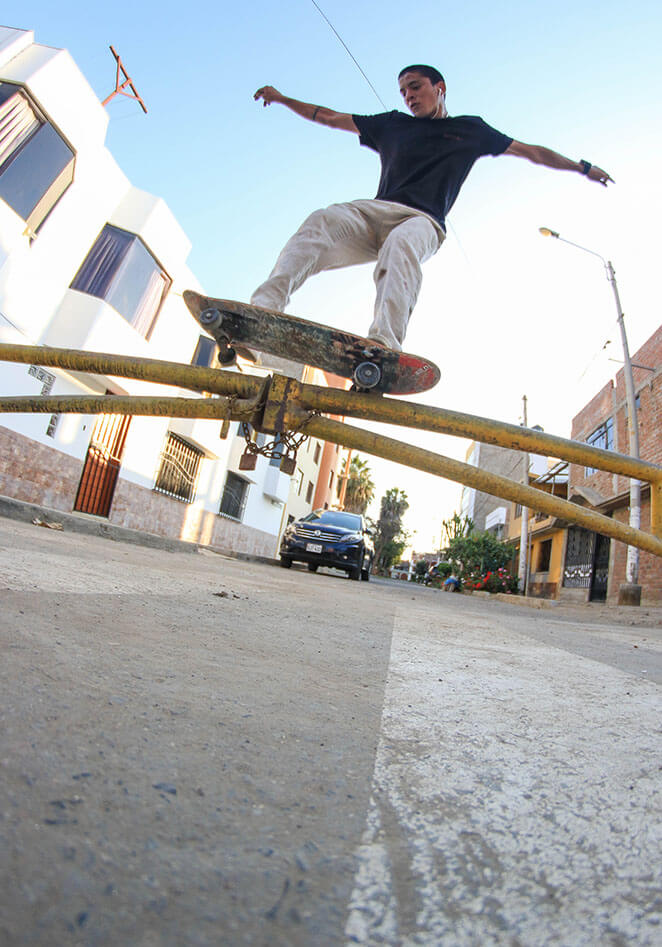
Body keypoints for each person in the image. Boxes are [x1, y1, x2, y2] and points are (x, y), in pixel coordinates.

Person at [251, 65, 612, 352]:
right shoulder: (392, 124)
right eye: (404, 91)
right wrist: (283, 98)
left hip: (422, 221)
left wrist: (582, 167)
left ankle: (383, 345)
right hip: (373, 214)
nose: (409, 96)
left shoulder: (470, 130)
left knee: (401, 245)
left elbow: (532, 152)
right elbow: (328, 117)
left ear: (440, 88)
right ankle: (262, 312)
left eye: (416, 87)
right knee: (323, 220)